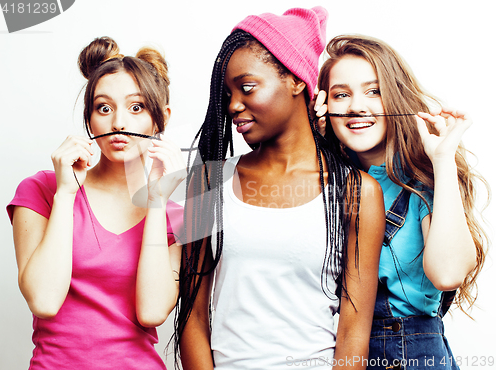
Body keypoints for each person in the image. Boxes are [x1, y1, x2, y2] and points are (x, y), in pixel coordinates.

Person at [176, 8, 385, 370]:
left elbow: (353, 333)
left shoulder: (357, 192)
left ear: (296, 80)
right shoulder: (205, 183)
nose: (233, 105)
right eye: (227, 94)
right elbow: (191, 318)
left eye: (247, 87)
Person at [7, 36, 185, 369]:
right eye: (104, 108)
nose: (119, 122)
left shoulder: (177, 218)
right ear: (90, 120)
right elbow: (44, 300)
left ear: (160, 118)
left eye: (137, 107)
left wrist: (157, 198)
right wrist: (65, 195)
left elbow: (152, 311)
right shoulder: (41, 190)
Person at [314, 35, 488, 369]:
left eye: (373, 91)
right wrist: (306, 139)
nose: (356, 106)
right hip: (335, 351)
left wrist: (442, 160)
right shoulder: (323, 184)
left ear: (396, 97)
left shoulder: (423, 182)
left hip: (411, 357)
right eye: (341, 94)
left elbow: (448, 273)